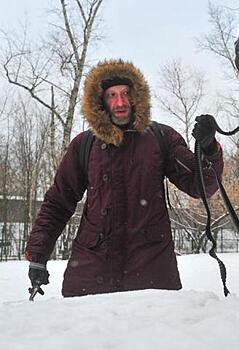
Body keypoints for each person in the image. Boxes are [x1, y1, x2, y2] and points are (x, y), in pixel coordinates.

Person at [24, 59, 223, 297]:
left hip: (152, 273)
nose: (120, 102)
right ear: (100, 102)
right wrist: (39, 253)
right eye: (112, 95)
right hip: (91, 274)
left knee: (156, 335)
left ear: (136, 96)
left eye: (126, 93)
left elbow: (201, 185)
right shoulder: (84, 145)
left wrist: (209, 148)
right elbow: (58, 202)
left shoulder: (161, 138)